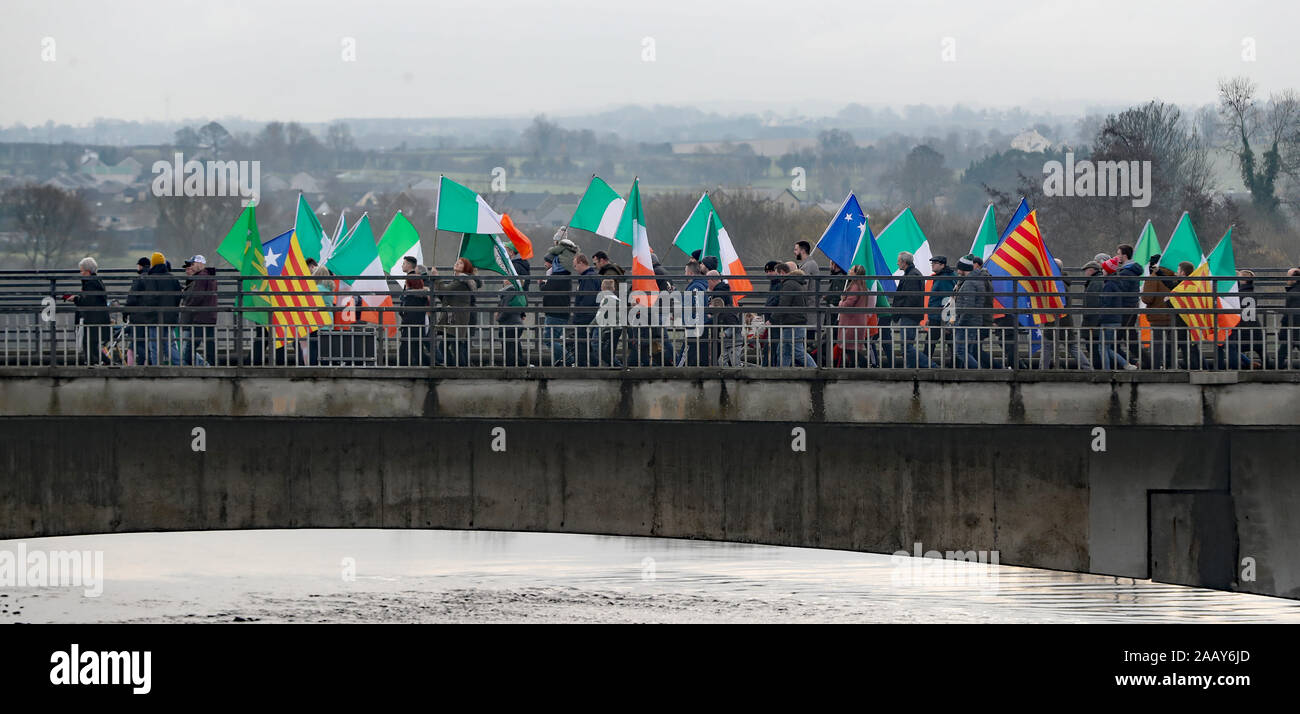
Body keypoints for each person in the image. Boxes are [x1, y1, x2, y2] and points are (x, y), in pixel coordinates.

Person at [139, 252, 183, 365]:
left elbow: (150, 299)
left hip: (154, 317)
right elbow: (179, 296)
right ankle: (179, 364)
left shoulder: (151, 278)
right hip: (170, 316)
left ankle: (156, 366)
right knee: (170, 345)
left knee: (154, 345)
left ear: (153, 264)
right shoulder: (173, 278)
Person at [433, 258, 479, 366]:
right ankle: (454, 366)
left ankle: (459, 367)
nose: (457, 263)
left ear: (465, 268)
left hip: (457, 317)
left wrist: (437, 277)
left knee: (453, 345)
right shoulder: (457, 280)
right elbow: (445, 296)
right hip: (453, 316)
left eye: (461, 263)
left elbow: (445, 291)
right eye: (457, 262)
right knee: (450, 345)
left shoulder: (461, 280)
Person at [66, 256, 110, 365]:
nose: (81, 273)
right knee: (90, 344)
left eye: (82, 271)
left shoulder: (91, 283)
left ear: (88, 271)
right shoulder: (96, 281)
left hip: (94, 319)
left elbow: (88, 302)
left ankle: (104, 363)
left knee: (89, 344)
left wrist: (75, 299)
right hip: (97, 318)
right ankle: (94, 363)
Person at [892, 251, 931, 368]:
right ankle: (910, 368)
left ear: (904, 263)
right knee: (906, 346)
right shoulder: (912, 274)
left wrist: (900, 311)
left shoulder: (912, 276)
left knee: (906, 346)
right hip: (910, 315)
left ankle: (931, 365)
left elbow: (911, 298)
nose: (897, 263)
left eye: (899, 261)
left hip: (909, 315)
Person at [954, 255, 993, 369]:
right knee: (968, 351)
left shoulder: (970, 283)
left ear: (963, 268)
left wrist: (961, 322)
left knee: (960, 351)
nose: (957, 271)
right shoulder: (976, 280)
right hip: (974, 321)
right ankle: (971, 373)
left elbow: (968, 306)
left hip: (967, 323)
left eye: (958, 268)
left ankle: (978, 372)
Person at [774, 264, 816, 367]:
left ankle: (815, 369)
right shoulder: (796, 283)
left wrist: (772, 318)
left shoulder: (789, 284)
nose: (777, 279)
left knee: (796, 351)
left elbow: (784, 304)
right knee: (785, 351)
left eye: (777, 275)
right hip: (795, 322)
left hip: (792, 323)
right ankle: (783, 373)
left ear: (782, 273)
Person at [180, 255, 218, 366]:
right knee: (209, 342)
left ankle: (187, 365)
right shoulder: (210, 276)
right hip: (210, 315)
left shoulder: (201, 277)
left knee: (192, 344)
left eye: (193, 264)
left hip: (201, 316)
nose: (192, 267)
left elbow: (198, 296)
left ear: (200, 264)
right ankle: (212, 364)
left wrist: (187, 306)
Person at [1220, 269, 1263, 369]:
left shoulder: (1238, 294)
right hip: (1253, 325)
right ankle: (1258, 364)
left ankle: (1239, 366)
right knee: (1259, 348)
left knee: (1230, 346)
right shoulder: (1252, 292)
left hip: (1240, 325)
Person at [1141, 266, 1180, 370]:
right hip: (1173, 316)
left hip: (1157, 315)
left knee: (1157, 344)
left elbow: (1147, 298)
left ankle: (1156, 367)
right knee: (1171, 344)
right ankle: (1171, 367)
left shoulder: (1153, 277)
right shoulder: (1175, 276)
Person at [837, 265, 874, 368]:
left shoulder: (855, 286)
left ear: (856, 273)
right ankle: (854, 366)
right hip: (857, 321)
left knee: (848, 347)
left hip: (851, 322)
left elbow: (848, 304)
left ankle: (863, 364)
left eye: (851, 270)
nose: (849, 271)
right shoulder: (862, 286)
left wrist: (841, 302)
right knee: (851, 347)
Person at [540, 255, 572, 366]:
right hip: (561, 312)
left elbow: (546, 289)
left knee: (549, 339)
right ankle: (559, 362)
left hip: (554, 312)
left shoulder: (556, 276)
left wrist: (541, 284)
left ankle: (568, 358)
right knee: (554, 339)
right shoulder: (566, 275)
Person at [925, 255, 956, 367]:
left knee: (930, 343)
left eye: (935, 263)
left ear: (942, 265)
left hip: (939, 318)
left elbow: (947, 300)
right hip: (938, 317)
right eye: (932, 263)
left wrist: (947, 321)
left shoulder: (944, 279)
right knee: (950, 343)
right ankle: (955, 365)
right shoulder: (943, 276)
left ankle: (925, 365)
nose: (932, 264)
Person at [397, 256, 428, 365]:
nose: (402, 265)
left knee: (407, 343)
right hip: (416, 320)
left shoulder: (412, 280)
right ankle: (423, 362)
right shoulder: (419, 294)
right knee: (416, 344)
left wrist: (403, 313)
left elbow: (407, 302)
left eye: (404, 263)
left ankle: (403, 363)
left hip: (410, 320)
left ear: (410, 265)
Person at [677, 260, 709, 366]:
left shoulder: (695, 287)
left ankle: (677, 373)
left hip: (694, 328)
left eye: (685, 271)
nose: (684, 274)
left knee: (685, 353)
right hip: (699, 327)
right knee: (698, 354)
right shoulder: (699, 285)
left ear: (690, 273)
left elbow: (696, 306)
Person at [571, 253, 600, 366]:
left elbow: (588, 298)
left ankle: (582, 364)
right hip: (589, 315)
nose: (575, 268)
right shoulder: (591, 276)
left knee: (582, 344)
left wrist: (578, 314)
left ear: (581, 263)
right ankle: (590, 363)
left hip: (585, 317)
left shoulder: (587, 278)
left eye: (575, 265)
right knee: (586, 344)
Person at [124, 256, 151, 364]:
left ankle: (148, 359)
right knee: (146, 342)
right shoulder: (153, 278)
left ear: (141, 266)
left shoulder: (139, 279)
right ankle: (145, 362)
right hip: (150, 317)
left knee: (135, 342)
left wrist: (126, 311)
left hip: (138, 316)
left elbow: (132, 298)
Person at [596, 278, 623, 367]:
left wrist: (590, 326)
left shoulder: (606, 299)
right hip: (618, 328)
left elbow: (599, 315)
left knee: (602, 352)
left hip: (609, 329)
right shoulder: (617, 299)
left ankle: (619, 366)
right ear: (613, 289)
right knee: (611, 351)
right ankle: (616, 366)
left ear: (602, 288)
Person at [1278, 268, 1300, 369]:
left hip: (1293, 330)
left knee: (1281, 354)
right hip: (1295, 330)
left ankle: (1274, 373)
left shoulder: (1293, 293)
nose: (1286, 279)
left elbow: (1290, 313)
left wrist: (1283, 329)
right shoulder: (1294, 291)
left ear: (1294, 279)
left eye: (1288, 276)